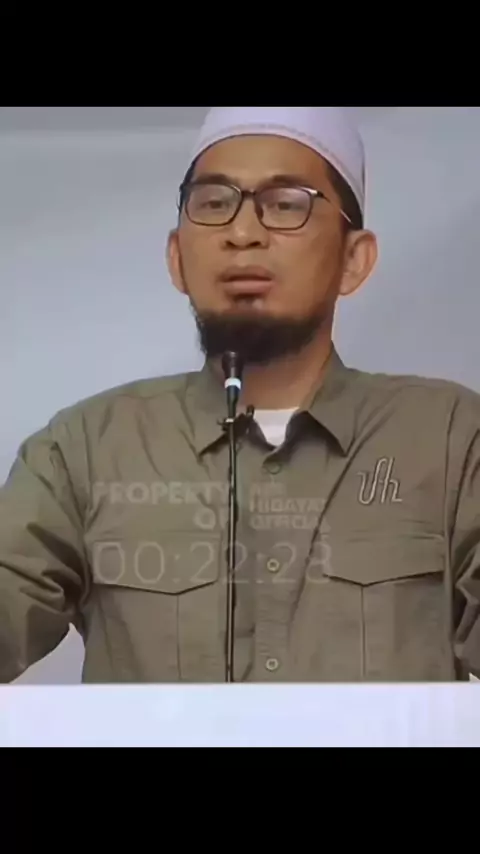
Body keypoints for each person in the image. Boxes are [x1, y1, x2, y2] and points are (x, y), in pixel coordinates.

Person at [1, 106, 480, 685]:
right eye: (213, 203)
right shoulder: (84, 449)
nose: (243, 232)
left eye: (286, 204)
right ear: (177, 258)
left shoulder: (451, 440)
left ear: (354, 260)